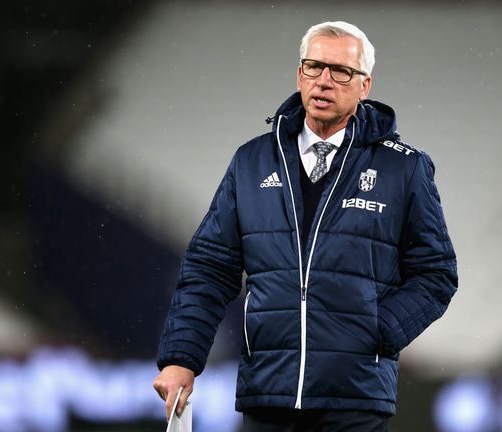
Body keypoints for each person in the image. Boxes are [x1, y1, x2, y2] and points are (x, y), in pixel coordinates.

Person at [153, 21, 457, 431]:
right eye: (314, 67)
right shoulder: (251, 162)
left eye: (341, 71)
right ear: (300, 75)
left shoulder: (403, 167)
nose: (325, 81)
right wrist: (180, 359)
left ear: (364, 85)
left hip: (355, 398)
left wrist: (377, 332)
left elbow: (437, 274)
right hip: (267, 394)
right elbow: (209, 269)